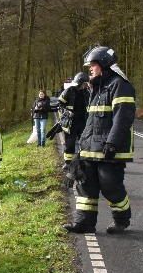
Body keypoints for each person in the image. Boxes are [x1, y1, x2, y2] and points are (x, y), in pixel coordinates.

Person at [64, 46, 136, 234]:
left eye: (93, 65)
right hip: (90, 147)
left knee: (110, 186)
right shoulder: (96, 87)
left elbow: (123, 117)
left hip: (110, 149)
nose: (90, 69)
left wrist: (112, 142)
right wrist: (80, 149)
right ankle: (84, 223)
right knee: (85, 185)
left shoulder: (120, 85)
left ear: (104, 64)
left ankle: (122, 219)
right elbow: (91, 122)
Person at [57, 72, 90, 168]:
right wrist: (67, 112)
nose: (86, 85)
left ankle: (82, 162)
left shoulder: (86, 92)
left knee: (84, 143)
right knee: (70, 144)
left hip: (83, 121)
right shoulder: (69, 91)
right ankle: (67, 163)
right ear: (80, 82)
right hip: (71, 123)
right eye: (85, 83)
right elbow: (59, 104)